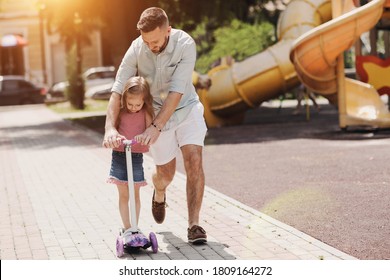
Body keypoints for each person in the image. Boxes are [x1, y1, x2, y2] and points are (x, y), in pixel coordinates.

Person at [103, 7, 208, 244]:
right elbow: (118, 89)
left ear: (168, 30)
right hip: (156, 115)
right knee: (165, 174)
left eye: (155, 41)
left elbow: (177, 92)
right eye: (146, 41)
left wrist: (155, 128)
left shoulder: (185, 44)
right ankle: (159, 192)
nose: (151, 46)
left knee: (194, 160)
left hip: (186, 109)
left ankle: (194, 225)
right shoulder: (137, 48)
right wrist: (110, 128)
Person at [104, 76, 154, 233]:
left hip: (136, 156)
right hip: (119, 155)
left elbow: (149, 133)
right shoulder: (120, 112)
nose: (133, 107)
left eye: (138, 104)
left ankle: (134, 227)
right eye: (130, 104)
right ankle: (126, 228)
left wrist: (143, 137)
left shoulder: (146, 113)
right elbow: (113, 129)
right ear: (124, 99)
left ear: (144, 101)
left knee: (135, 193)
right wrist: (115, 137)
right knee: (123, 194)